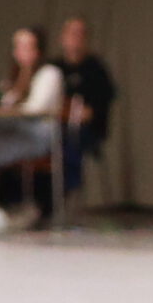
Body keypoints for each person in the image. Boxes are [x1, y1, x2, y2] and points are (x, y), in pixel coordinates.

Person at [0, 25, 67, 222]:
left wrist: (11, 107)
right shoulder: (15, 77)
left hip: (40, 133)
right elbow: (4, 105)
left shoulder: (49, 73)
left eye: (28, 46)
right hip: (17, 129)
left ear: (38, 49)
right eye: (18, 46)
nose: (22, 52)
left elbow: (35, 109)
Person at [52, 17, 117, 202]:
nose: (76, 38)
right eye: (72, 33)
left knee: (70, 141)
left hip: (86, 130)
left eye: (80, 34)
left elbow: (95, 109)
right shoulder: (54, 68)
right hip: (55, 125)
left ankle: (69, 193)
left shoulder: (96, 69)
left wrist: (76, 112)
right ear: (62, 37)